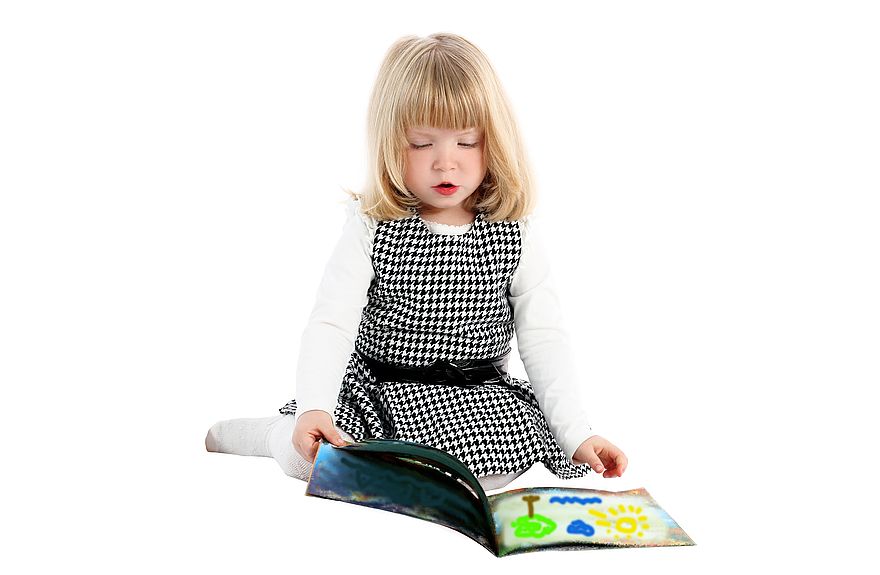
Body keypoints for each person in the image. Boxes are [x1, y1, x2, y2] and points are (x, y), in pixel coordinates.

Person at [205, 33, 628, 491]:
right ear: (390, 141)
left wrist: (576, 433)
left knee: (506, 463)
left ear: (495, 141)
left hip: (475, 400)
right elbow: (332, 323)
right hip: (380, 394)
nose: (446, 165)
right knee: (314, 459)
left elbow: (544, 337)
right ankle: (271, 433)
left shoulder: (514, 230)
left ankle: (423, 475)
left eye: (467, 142)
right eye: (422, 144)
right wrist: (315, 406)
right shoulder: (374, 225)